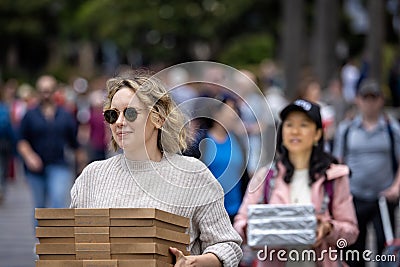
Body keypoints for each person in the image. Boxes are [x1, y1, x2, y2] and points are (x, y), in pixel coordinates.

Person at [70, 70, 243, 267]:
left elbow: (228, 245)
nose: (119, 122)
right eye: (112, 114)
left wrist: (195, 262)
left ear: (158, 118)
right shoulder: (92, 176)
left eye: (130, 112)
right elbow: (73, 244)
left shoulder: (193, 174)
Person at [234, 99, 359, 267]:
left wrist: (328, 228)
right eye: (289, 125)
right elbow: (240, 223)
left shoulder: (334, 177)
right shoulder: (265, 176)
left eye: (304, 125)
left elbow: (351, 232)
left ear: (317, 134)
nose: (295, 131)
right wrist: (252, 229)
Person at [333, 79, 400, 267]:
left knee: (384, 247)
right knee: (353, 249)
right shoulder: (347, 129)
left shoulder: (391, 128)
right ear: (358, 100)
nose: (370, 103)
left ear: (380, 100)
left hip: (383, 198)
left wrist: (396, 187)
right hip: (354, 196)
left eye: (374, 98)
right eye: (366, 98)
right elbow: (338, 162)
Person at [17, 75, 85, 222]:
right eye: (42, 91)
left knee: (58, 203)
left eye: (48, 90)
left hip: (59, 164)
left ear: (55, 92)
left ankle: (56, 243)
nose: (45, 94)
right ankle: (40, 242)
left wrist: (82, 165)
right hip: (35, 169)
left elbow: (75, 142)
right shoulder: (30, 115)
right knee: (39, 207)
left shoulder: (65, 115)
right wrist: (29, 156)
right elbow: (21, 140)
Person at [185, 92, 249, 224]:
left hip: (234, 212)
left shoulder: (238, 141)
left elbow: (244, 176)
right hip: (206, 214)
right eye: (230, 109)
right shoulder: (200, 142)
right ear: (216, 112)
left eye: (236, 110)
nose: (234, 114)